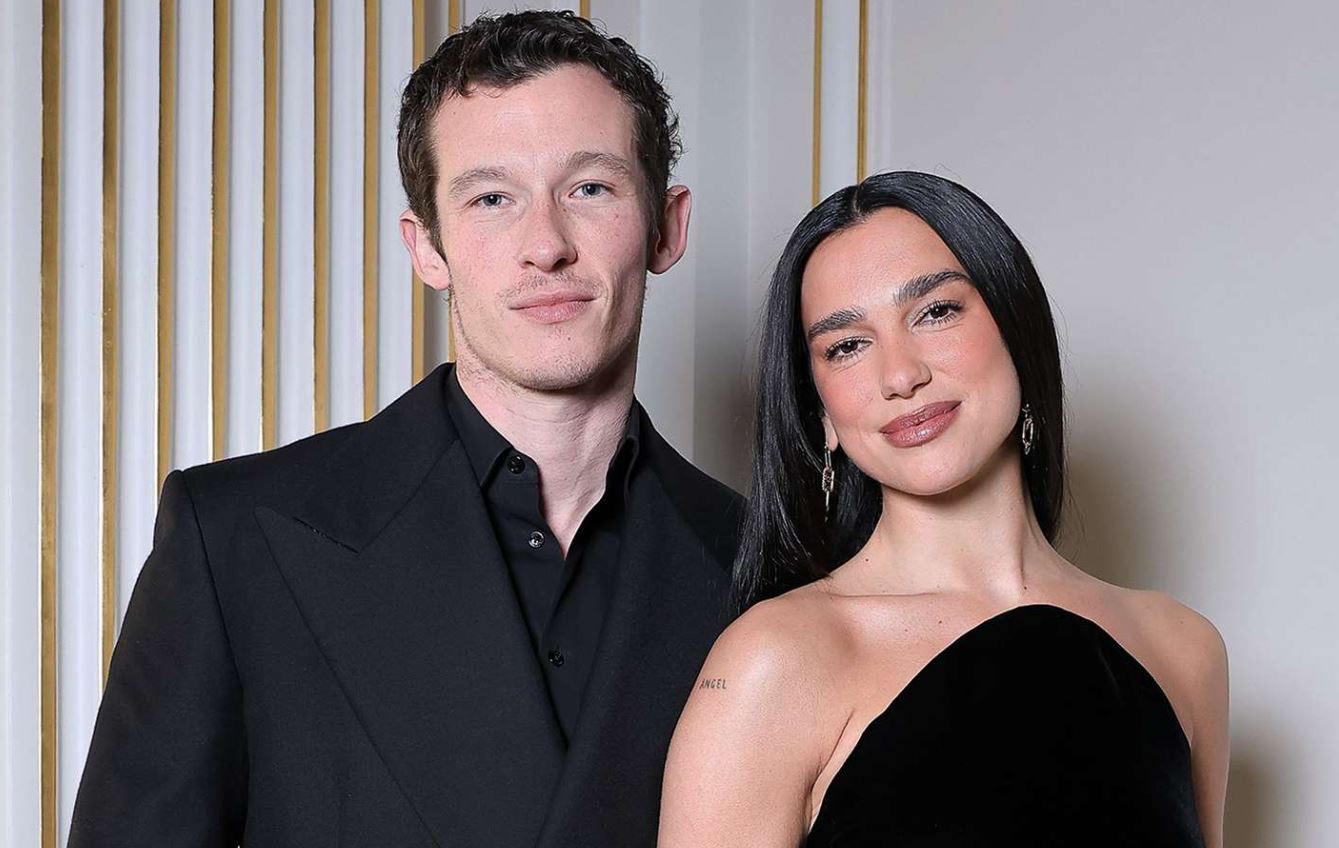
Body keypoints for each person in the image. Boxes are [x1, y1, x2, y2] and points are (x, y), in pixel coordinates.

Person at [69, 12, 741, 848]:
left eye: (590, 188)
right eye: (491, 198)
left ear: (666, 227)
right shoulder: (236, 538)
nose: (545, 245)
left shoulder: (759, 562)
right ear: (427, 249)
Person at [659, 172, 1229, 846]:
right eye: (846, 346)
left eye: (935, 312)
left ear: (1016, 327)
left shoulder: (1182, 649)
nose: (901, 376)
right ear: (821, 415)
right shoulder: (776, 659)